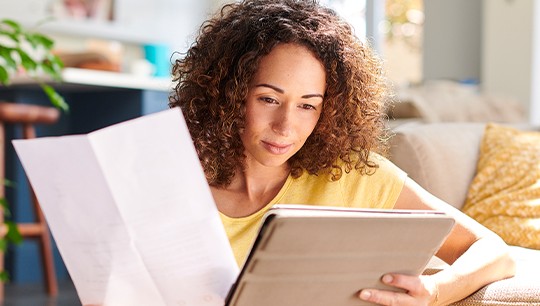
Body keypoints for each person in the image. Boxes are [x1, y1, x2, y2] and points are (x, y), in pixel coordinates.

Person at [169, 0, 515, 304]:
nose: (285, 126)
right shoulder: (179, 179)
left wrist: (436, 290)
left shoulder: (353, 176)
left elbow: (494, 251)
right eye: (269, 99)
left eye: (308, 106)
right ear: (230, 94)